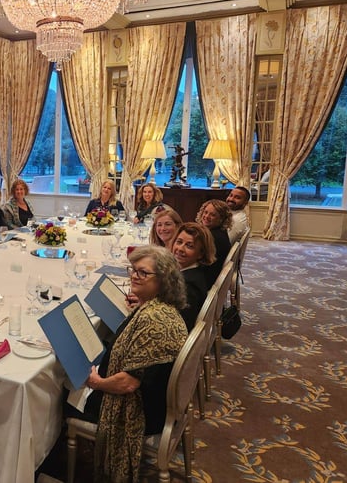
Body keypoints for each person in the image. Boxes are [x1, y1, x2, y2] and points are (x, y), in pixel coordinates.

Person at [80, 246, 188, 482]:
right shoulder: (158, 309)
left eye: (143, 273)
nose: (134, 276)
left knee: (60, 392)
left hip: (139, 411)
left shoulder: (155, 321)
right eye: (133, 270)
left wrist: (97, 383)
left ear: (163, 280)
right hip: (155, 399)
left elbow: (128, 384)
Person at [171, 223, 216, 331]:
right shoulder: (190, 272)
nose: (180, 248)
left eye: (189, 246)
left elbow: (179, 325)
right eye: (179, 242)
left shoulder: (188, 285)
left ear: (200, 254)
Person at [196, 199, 232, 287]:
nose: (206, 216)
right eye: (205, 212)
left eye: (213, 215)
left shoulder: (213, 237)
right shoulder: (220, 232)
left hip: (204, 280)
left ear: (221, 219)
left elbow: (198, 262)